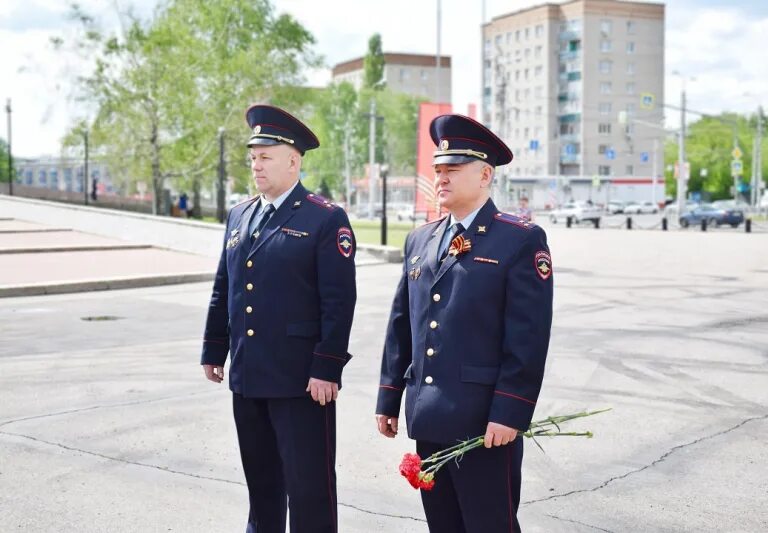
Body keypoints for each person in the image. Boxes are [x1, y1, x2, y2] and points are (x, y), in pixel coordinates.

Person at [375, 114, 554, 532]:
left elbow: (527, 338)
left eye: (452, 169)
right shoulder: (420, 240)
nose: (441, 178)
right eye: (438, 169)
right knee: (444, 526)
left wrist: (510, 412)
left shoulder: (519, 240)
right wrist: (389, 396)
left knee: (490, 525)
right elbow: (403, 323)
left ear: (485, 175)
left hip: (484, 422)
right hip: (429, 418)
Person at [201, 104, 357, 533]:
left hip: (301, 382)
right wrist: (215, 349)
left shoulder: (324, 218)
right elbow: (224, 287)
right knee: (262, 487)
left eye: (265, 156)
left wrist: (327, 367)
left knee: (309, 490)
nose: (256, 165)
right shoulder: (240, 214)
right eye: (253, 157)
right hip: (249, 376)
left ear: (293, 159)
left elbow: (339, 301)